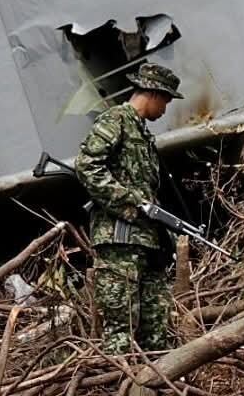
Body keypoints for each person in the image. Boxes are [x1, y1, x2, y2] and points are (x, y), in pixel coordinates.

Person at [74, 61, 184, 354]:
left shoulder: (142, 133)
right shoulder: (116, 121)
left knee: (156, 327)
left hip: (146, 244)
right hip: (119, 242)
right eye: (167, 101)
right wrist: (131, 202)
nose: (166, 109)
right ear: (154, 94)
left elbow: (144, 189)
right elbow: (87, 166)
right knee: (120, 330)